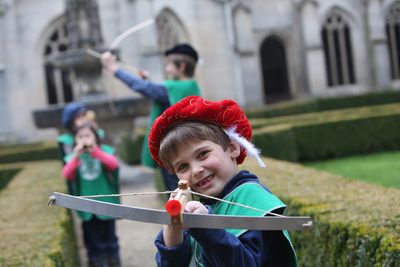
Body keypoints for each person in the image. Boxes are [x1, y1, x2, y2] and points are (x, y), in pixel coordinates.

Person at [147, 96, 297, 267]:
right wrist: (172, 235)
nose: (196, 170)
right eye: (182, 166)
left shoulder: (253, 199)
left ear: (232, 148)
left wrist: (208, 227)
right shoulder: (199, 202)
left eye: (202, 154)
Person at [101, 43, 201, 191]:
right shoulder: (189, 87)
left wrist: (114, 69)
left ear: (181, 67)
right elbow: (162, 95)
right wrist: (148, 82)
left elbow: (143, 88)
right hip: (183, 148)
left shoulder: (177, 88)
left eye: (169, 65)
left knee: (178, 197)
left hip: (175, 152)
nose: (166, 69)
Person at [62, 123, 121, 267]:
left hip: (106, 203)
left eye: (87, 135)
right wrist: (76, 156)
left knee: (110, 235)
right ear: (75, 140)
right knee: (93, 236)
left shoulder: (105, 151)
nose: (84, 139)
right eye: (80, 136)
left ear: (95, 137)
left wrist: (96, 152)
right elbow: (67, 174)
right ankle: (97, 260)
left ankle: (113, 259)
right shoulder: (73, 157)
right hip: (86, 206)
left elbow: (114, 165)